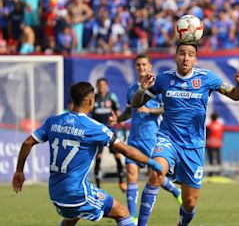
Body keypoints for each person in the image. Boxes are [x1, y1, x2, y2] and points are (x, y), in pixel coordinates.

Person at [131, 42, 239, 226]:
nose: (186, 57)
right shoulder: (164, 79)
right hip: (168, 139)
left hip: (193, 146)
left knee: (189, 203)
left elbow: (236, 96)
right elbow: (136, 103)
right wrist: (142, 89)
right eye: (182, 53)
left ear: (196, 59)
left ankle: (182, 224)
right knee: (156, 172)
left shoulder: (207, 78)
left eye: (190, 54)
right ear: (175, 57)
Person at [12, 82, 162, 226]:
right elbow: (127, 150)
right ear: (90, 100)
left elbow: (27, 143)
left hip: (55, 192)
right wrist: (153, 163)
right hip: (76, 192)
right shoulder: (94, 128)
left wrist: (19, 171)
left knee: (72, 218)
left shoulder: (54, 121)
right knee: (122, 212)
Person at [108, 54, 182, 222]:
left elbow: (166, 108)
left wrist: (149, 111)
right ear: (135, 67)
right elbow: (129, 111)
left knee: (154, 177)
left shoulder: (157, 87)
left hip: (152, 138)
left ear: (150, 66)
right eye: (138, 65)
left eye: (144, 64)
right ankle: (133, 217)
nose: (141, 67)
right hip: (134, 139)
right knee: (131, 174)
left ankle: (176, 192)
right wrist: (117, 119)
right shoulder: (131, 89)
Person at [92, 77, 126, 191]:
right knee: (98, 156)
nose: (101, 87)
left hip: (110, 131)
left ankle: (121, 181)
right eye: (99, 85)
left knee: (117, 155)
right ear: (97, 86)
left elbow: (117, 111)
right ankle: (97, 185)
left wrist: (120, 121)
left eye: (103, 85)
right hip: (97, 132)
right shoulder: (93, 98)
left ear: (106, 86)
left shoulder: (112, 97)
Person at [205, 112, 224, 176]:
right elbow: (222, 135)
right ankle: (219, 173)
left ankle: (211, 173)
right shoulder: (220, 126)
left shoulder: (209, 126)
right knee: (218, 158)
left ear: (211, 118)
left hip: (210, 144)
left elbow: (206, 135)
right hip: (218, 143)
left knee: (211, 159)